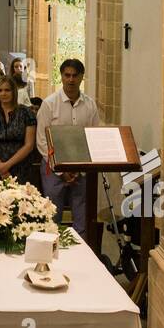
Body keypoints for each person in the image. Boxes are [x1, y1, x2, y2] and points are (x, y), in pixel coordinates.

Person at [35, 58, 101, 242]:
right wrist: (62, 170)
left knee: (82, 218)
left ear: (81, 78)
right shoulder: (49, 104)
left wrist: (79, 169)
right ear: (61, 77)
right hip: (53, 169)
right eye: (67, 75)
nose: (71, 80)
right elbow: (42, 140)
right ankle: (51, 252)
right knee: (52, 217)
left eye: (75, 76)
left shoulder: (90, 105)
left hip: (82, 170)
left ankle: (82, 255)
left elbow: (93, 137)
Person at [0, 76, 39, 187]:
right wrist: (0, 167)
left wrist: (7, 165)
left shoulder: (26, 113)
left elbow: (29, 145)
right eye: (0, 90)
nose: (3, 93)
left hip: (20, 167)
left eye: (7, 90)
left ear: (14, 91)